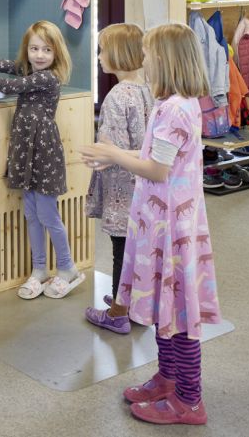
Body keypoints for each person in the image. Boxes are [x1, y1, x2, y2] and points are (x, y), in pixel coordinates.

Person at [79, 23, 222, 426]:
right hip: (158, 222)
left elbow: (158, 170)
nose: (143, 60)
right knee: (164, 307)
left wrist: (112, 153)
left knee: (176, 313)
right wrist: (117, 156)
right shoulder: (176, 103)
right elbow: (156, 159)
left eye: (148, 54)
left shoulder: (175, 110)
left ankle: (189, 399)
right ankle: (168, 378)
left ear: (166, 61)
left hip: (170, 229)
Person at [0, 20, 83, 300]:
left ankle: (67, 268)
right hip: (26, 151)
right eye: (34, 49)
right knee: (31, 213)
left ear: (56, 54)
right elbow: (8, 66)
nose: (39, 55)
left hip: (44, 155)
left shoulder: (47, 78)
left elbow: (8, 84)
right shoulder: (31, 69)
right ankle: (39, 269)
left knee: (47, 214)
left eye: (46, 50)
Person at [85, 23, 154, 334]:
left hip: (121, 188)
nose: (99, 57)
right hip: (146, 184)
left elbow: (111, 148)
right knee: (138, 248)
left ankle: (117, 311)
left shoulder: (115, 97)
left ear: (116, 55)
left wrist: (95, 156)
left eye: (102, 51)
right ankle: (135, 304)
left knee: (120, 249)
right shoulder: (148, 90)